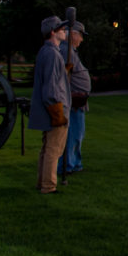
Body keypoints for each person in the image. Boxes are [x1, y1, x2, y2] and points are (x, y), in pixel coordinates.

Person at [29, 15, 70, 195]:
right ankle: (49, 186)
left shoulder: (46, 52)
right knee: (54, 149)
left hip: (51, 106)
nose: (64, 31)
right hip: (55, 108)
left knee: (47, 148)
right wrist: (57, 111)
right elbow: (51, 87)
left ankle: (42, 182)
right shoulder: (52, 54)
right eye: (61, 29)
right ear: (53, 32)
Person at [58, 21, 90, 184]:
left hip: (78, 102)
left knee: (77, 135)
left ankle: (74, 162)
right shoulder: (66, 52)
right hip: (72, 102)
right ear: (74, 35)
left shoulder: (70, 52)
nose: (82, 40)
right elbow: (62, 76)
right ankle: (67, 165)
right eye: (81, 35)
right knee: (72, 135)